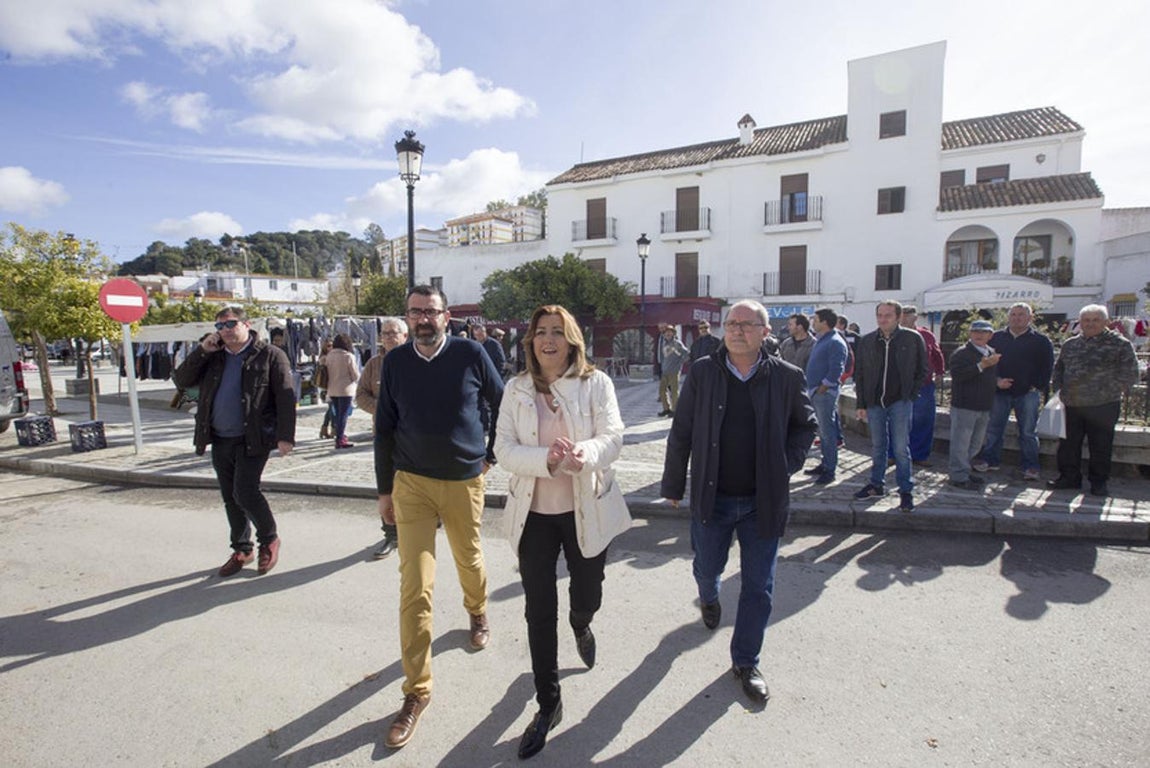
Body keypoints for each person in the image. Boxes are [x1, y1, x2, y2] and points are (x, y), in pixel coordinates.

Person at [661, 300, 817, 704]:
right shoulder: (703, 372)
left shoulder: (786, 376)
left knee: (758, 587)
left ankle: (746, 661)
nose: (736, 330)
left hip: (762, 500)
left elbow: (805, 427)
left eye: (746, 324)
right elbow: (681, 431)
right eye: (731, 323)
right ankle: (709, 597)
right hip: (713, 497)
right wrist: (673, 485)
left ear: (766, 332)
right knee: (707, 566)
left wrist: (785, 465)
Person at [495, 304, 628, 760]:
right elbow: (504, 448)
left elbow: (613, 437)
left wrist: (582, 453)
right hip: (533, 513)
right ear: (530, 341)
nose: (548, 339)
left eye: (557, 331)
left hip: (584, 508)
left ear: (572, 339)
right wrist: (545, 461)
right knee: (538, 610)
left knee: (588, 591)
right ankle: (548, 703)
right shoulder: (514, 389)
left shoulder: (595, 384)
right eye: (540, 332)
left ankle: (582, 622)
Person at [374, 285, 504, 750]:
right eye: (416, 312)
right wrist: (384, 489)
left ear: (447, 316)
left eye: (431, 312)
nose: (423, 319)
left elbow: (503, 402)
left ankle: (477, 610)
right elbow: (384, 428)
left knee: (469, 559)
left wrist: (490, 454)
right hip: (411, 484)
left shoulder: (470, 353)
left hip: (463, 480)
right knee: (415, 587)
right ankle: (416, 692)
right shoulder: (395, 362)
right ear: (407, 318)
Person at [172, 307, 296, 577]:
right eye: (220, 326)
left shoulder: (270, 355)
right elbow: (181, 380)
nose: (225, 330)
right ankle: (242, 548)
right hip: (219, 437)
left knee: (245, 492)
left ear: (246, 324)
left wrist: (286, 436)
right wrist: (203, 350)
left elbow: (286, 398)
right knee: (230, 497)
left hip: (254, 437)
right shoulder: (212, 357)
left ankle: (269, 540)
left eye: (231, 324)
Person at [1048, 304, 1139, 497]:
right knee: (1068, 445)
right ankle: (1069, 478)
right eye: (1086, 320)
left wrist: (1109, 391)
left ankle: (1098, 482)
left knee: (1101, 446)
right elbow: (1059, 369)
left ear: (1106, 322)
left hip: (1103, 406)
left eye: (1095, 320)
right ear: (1080, 323)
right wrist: (1059, 391)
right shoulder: (1070, 344)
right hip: (1072, 404)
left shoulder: (1120, 344)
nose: (1090, 324)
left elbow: (1130, 374)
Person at [853, 300, 928, 513]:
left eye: (887, 315)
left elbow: (922, 369)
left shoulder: (912, 338)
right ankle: (876, 485)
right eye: (880, 315)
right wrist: (862, 403)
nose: (883, 319)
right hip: (875, 401)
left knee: (900, 448)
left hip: (900, 401)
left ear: (898, 317)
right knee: (878, 446)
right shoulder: (868, 341)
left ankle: (905, 490)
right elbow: (860, 374)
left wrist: (910, 394)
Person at [972, 303, 1054, 481]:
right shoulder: (996, 338)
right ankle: (990, 460)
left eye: (1021, 315)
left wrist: (1035, 386)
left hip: (1027, 393)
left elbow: (1047, 368)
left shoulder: (1041, 341)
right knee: (994, 429)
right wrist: (996, 381)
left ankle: (1030, 466)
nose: (1017, 318)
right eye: (1014, 314)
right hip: (1000, 392)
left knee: (1028, 432)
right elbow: (985, 363)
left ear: (1030, 318)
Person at [357, 317, 409, 559]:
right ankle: (391, 532)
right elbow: (361, 396)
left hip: (413, 437)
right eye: (385, 333)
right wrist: (382, 409)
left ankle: (417, 526)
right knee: (386, 483)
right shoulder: (373, 365)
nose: (388, 336)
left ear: (405, 336)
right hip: (384, 435)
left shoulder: (416, 362)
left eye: (393, 332)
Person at [947, 321, 1002, 490]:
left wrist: (998, 382)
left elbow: (987, 377)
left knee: (976, 444)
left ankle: (964, 469)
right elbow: (958, 375)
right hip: (965, 405)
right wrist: (981, 365)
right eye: (975, 332)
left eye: (983, 332)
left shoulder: (991, 352)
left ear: (990, 335)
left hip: (984, 405)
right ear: (970, 334)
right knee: (960, 444)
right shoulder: (962, 353)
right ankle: (957, 475)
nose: (979, 335)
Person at [803, 308, 848, 485]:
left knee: (828, 432)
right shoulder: (823, 340)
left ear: (824, 322)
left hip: (824, 394)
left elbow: (837, 368)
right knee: (822, 431)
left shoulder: (835, 341)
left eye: (816, 319)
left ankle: (830, 469)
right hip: (816, 391)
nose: (813, 322)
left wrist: (824, 386)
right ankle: (825, 463)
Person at [899, 306, 945, 466]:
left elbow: (937, 354)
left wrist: (940, 372)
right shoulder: (892, 335)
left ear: (915, 318)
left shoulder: (926, 335)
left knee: (923, 420)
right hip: (898, 386)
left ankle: (919, 455)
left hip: (923, 385)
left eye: (907, 316)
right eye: (902, 316)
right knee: (896, 421)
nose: (904, 319)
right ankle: (893, 454)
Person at [325, 333, 359, 449]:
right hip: (346, 390)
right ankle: (339, 439)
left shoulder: (329, 356)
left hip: (332, 389)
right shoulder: (348, 356)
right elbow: (355, 375)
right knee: (343, 415)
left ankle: (340, 435)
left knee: (338, 414)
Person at [657, 326, 688, 417]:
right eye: (666, 332)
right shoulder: (664, 344)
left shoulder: (677, 343)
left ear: (673, 333)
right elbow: (664, 357)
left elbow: (686, 354)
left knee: (674, 391)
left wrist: (679, 363)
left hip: (674, 371)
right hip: (665, 371)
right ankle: (666, 408)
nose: (668, 334)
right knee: (662, 391)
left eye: (670, 332)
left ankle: (674, 410)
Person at [316, 339, 334, 439]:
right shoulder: (324, 358)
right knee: (332, 408)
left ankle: (325, 428)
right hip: (326, 387)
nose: (330, 348)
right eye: (328, 346)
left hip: (332, 385)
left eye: (332, 345)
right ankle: (332, 429)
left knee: (331, 408)